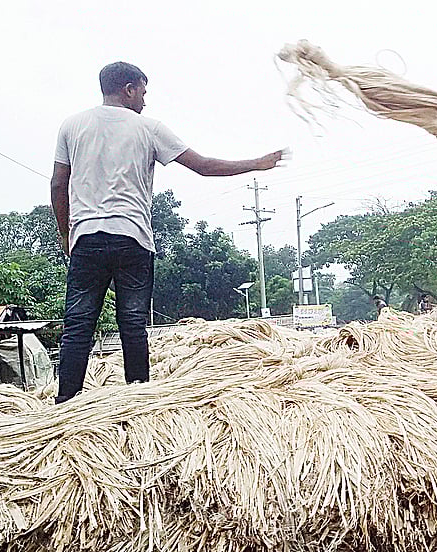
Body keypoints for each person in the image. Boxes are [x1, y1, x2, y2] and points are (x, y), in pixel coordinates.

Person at [51, 62, 283, 404]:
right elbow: (203, 166)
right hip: (133, 238)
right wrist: (255, 163)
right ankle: (139, 399)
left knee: (79, 323)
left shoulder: (72, 125)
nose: (145, 100)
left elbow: (59, 183)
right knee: (131, 323)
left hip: (87, 236)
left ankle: (65, 403)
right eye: (143, 92)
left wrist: (66, 233)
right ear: (129, 89)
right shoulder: (148, 128)